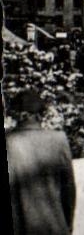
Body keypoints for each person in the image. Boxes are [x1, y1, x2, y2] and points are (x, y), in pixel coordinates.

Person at [6, 88, 77, 235]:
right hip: (56, 227)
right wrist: (67, 224)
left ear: (16, 115)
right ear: (41, 114)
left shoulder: (9, 143)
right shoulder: (58, 140)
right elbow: (69, 191)